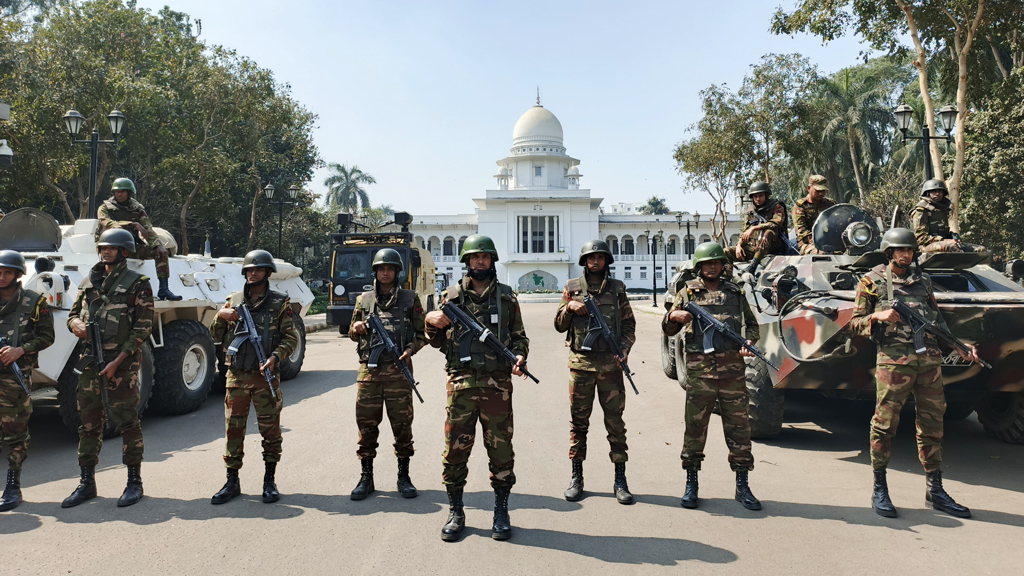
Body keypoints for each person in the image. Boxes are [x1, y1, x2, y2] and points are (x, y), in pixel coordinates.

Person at [849, 228, 975, 519]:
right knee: (884, 425)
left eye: (909, 250)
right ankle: (880, 488)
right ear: (889, 252)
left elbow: (937, 322)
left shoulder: (923, 280)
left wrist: (961, 346)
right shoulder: (871, 282)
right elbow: (853, 323)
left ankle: (936, 490)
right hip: (893, 365)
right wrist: (875, 316)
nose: (906, 254)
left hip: (928, 364)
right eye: (900, 250)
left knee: (932, 425)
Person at [424, 234, 529, 542]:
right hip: (461, 386)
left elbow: (519, 337)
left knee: (501, 451)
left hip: (498, 387)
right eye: (474, 257)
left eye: (485, 257)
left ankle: (501, 511)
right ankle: (456, 511)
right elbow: (437, 342)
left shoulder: (507, 297)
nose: (480, 261)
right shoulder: (451, 297)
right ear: (467, 261)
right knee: (455, 452)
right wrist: (432, 322)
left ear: (492, 260)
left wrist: (520, 355)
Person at [663, 241, 762, 511]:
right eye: (707, 263)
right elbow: (668, 327)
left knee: (739, 430)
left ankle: (743, 485)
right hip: (700, 374)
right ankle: (691, 482)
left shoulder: (735, 292)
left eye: (716, 262)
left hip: (732, 373)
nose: (712, 266)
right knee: (695, 429)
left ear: (722, 265)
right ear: (699, 266)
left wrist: (749, 341)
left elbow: (752, 325)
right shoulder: (688, 292)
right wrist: (675, 316)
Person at [63, 229, 153, 508]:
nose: (105, 251)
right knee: (88, 423)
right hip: (91, 360)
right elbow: (74, 314)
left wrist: (118, 361)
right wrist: (75, 324)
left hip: (122, 363)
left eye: (111, 248)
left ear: (124, 252)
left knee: (127, 421)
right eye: (103, 247)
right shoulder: (89, 280)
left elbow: (143, 326)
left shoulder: (138, 283)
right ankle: (87, 483)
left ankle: (134, 482)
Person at [208, 250, 298, 505]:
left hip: (264, 376)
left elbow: (291, 338)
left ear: (268, 273)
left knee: (270, 430)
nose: (253, 273)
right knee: (233, 430)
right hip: (236, 376)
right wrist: (220, 315)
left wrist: (275, 358)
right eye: (249, 270)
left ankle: (269, 480)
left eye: (258, 270)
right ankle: (232, 481)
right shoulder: (234, 301)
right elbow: (215, 334)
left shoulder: (280, 303)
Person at [553, 240, 636, 504]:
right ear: (585, 261)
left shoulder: (617, 288)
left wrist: (624, 349)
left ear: (607, 260)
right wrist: (569, 308)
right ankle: (576, 477)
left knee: (615, 424)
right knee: (578, 424)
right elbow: (557, 324)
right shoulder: (572, 288)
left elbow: (629, 324)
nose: (596, 262)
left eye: (600, 257)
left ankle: (620, 479)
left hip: (611, 366)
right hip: (581, 366)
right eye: (591, 258)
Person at [348, 248, 427, 501]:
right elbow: (352, 332)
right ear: (375, 271)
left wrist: (409, 349)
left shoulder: (409, 299)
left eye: (390, 269)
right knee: (367, 427)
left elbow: (422, 333)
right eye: (381, 268)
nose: (385, 272)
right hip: (369, 374)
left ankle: (403, 477)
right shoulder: (364, 300)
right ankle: (366, 477)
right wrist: (357, 328)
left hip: (398, 374)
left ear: (396, 272)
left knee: (402, 427)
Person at [0, 250, 54, 511]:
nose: (1, 276)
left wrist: (20, 350)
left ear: (18, 274)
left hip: (13, 377)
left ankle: (13, 486)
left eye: (7, 272)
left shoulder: (34, 302)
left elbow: (47, 337)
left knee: (14, 432)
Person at [96, 178, 181, 301]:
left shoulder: (138, 209)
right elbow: (107, 222)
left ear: (129, 193)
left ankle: (164, 289)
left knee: (161, 252)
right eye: (117, 191)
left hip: (130, 246)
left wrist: (158, 246)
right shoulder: (105, 207)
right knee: (117, 253)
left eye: (122, 192)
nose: (119, 194)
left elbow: (148, 229)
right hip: (109, 247)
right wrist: (132, 224)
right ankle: (108, 289)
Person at [910, 179, 986, 254]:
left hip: (945, 242)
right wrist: (945, 240)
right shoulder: (921, 210)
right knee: (952, 246)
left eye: (940, 191)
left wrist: (953, 236)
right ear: (927, 193)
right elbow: (921, 238)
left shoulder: (942, 208)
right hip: (924, 246)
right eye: (934, 191)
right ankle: (961, 266)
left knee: (980, 249)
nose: (937, 194)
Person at [725, 181, 788, 262]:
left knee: (768, 233)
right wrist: (739, 245)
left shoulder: (776, 206)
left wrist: (755, 228)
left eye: (761, 196)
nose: (758, 199)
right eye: (755, 196)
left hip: (774, 246)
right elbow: (746, 232)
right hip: (754, 248)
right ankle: (727, 274)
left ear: (766, 195)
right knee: (726, 252)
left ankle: (753, 266)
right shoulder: (751, 212)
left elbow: (777, 222)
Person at [793, 175, 836, 255]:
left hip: (831, 242)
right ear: (809, 188)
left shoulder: (830, 204)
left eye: (823, 190)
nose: (821, 193)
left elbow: (838, 223)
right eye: (818, 190)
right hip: (808, 244)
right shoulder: (801, 206)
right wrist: (820, 241)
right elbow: (801, 232)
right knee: (824, 254)